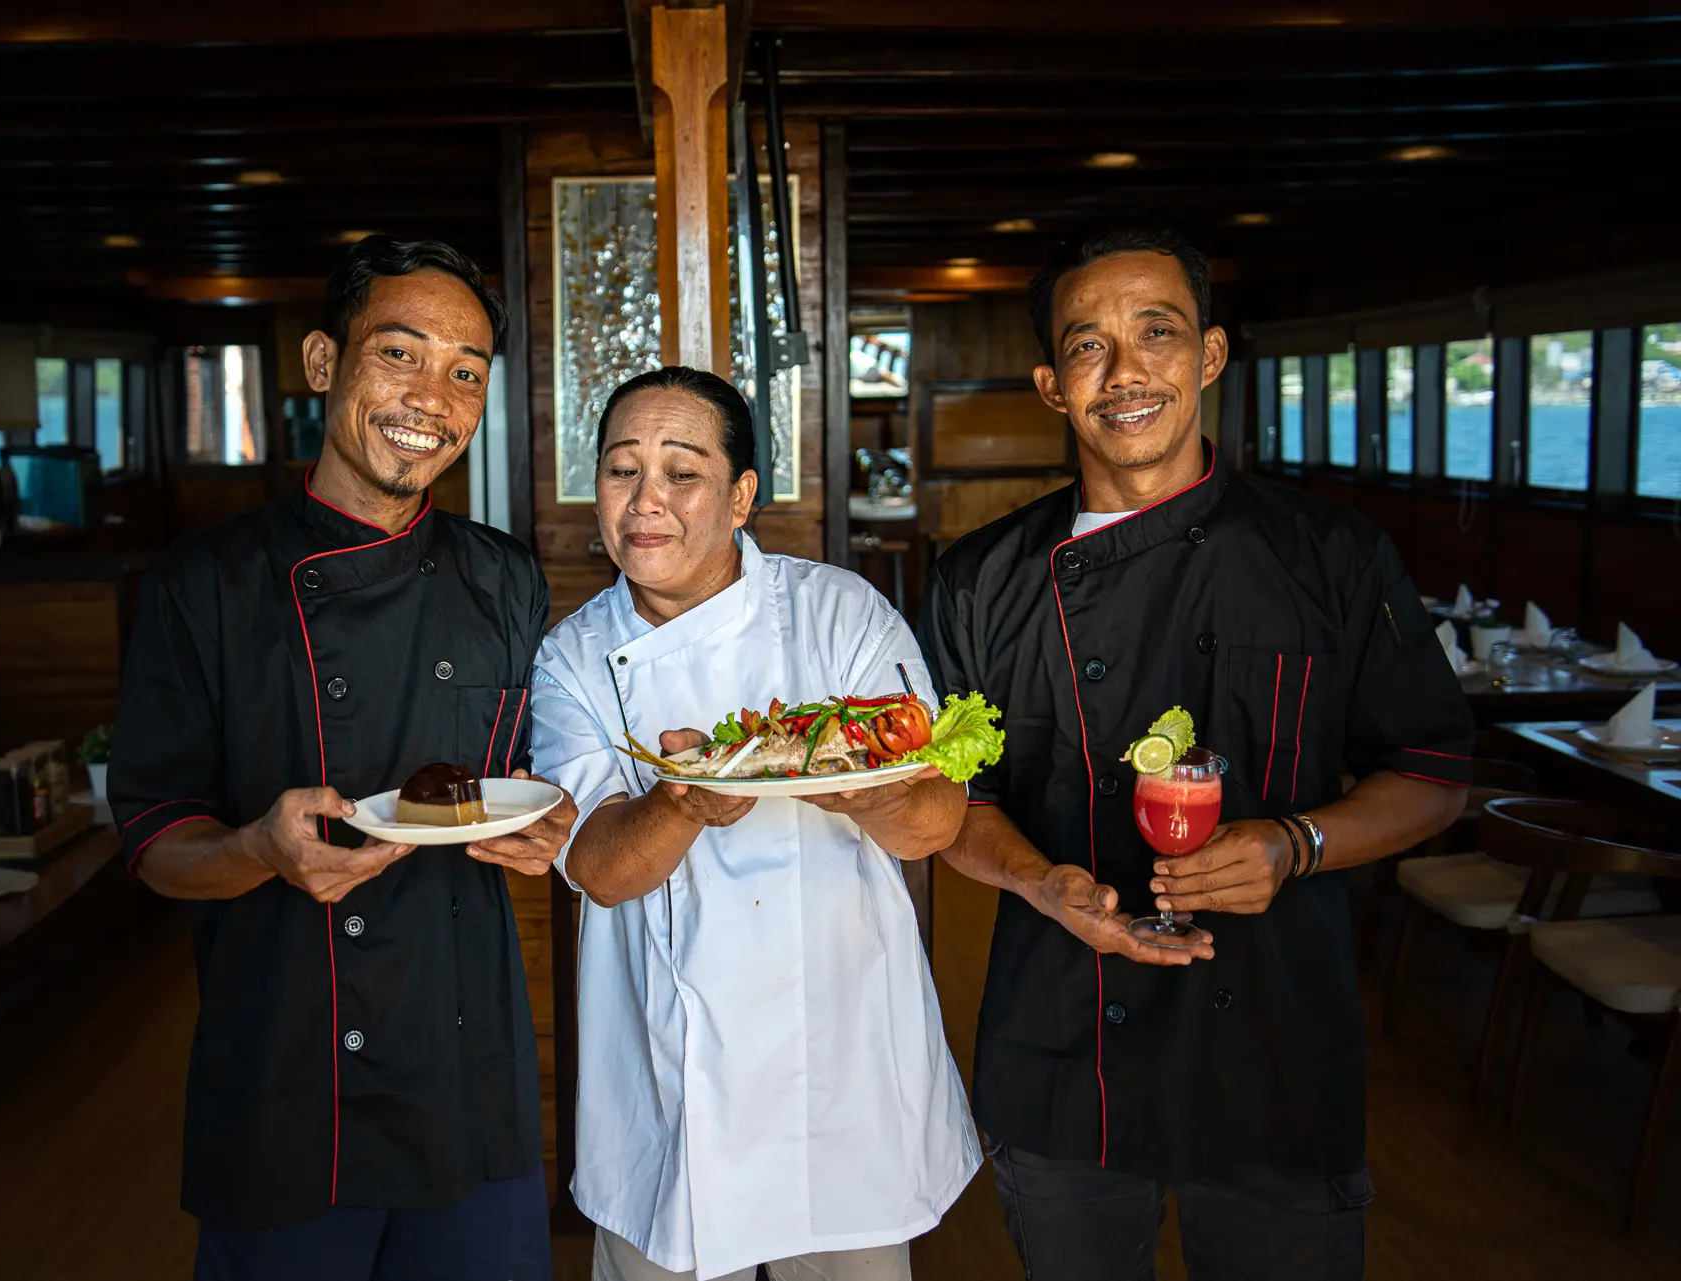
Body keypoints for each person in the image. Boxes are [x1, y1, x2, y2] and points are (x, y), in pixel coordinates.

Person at [918, 225, 1472, 1281]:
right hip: (1063, 1041)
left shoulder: (1331, 555)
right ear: (1051, 383)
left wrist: (1296, 843)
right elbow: (956, 803)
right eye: (1088, 346)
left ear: (1210, 356)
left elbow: (1435, 776)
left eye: (1157, 333)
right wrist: (1042, 883)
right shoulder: (981, 581)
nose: (1125, 374)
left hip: (1275, 1041)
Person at [110, 236, 578, 1281]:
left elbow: (537, 777)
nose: (432, 397)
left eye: (466, 373)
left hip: (470, 1078)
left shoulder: (505, 579)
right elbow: (153, 840)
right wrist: (258, 852)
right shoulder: (204, 587)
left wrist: (555, 827)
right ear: (324, 362)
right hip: (287, 1079)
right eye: (400, 355)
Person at [529, 367, 980, 1281]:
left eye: (682, 472)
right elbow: (601, 869)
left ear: (739, 497)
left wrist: (862, 784)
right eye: (622, 471)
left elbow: (936, 817)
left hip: (840, 1073)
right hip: (668, 1090)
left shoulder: (838, 612)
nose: (646, 500)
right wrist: (686, 797)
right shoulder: (573, 655)